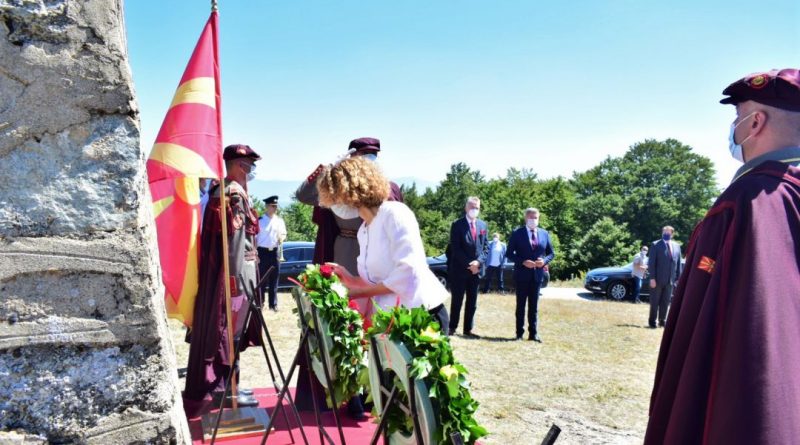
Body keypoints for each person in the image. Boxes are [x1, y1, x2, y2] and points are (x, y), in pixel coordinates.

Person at [645, 69, 800, 444]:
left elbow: (705, 341)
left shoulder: (747, 202)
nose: (733, 127)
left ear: (755, 123)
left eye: (737, 116)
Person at [294, 137, 402, 418]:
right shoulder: (339, 186)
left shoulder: (388, 187)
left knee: (374, 326)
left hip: (375, 261)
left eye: (373, 156)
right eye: (363, 156)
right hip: (344, 253)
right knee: (346, 325)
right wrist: (326, 169)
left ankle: (372, 391)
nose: (369, 161)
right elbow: (304, 196)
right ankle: (350, 391)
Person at [320, 157, 449, 329]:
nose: (334, 205)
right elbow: (378, 281)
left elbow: (407, 273)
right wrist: (351, 279)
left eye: (335, 197)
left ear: (351, 193)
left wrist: (356, 293)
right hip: (391, 319)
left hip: (420, 316)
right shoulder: (364, 230)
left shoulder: (394, 213)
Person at [184, 144, 262, 415]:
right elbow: (235, 245)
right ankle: (227, 391)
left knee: (232, 335)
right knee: (231, 334)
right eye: (250, 165)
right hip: (236, 276)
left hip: (234, 273)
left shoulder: (223, 190)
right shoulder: (233, 194)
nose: (252, 170)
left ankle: (231, 387)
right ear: (240, 166)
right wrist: (236, 284)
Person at [506, 208, 555, 342]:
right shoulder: (517, 233)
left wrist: (544, 261)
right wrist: (522, 261)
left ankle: (533, 334)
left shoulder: (544, 234)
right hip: (521, 275)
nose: (533, 220)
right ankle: (519, 334)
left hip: (537, 275)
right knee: (520, 306)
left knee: (534, 307)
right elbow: (509, 253)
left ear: (539, 218)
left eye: (535, 218)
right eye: (530, 217)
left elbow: (551, 253)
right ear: (525, 218)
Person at [447, 197, 489, 337]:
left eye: (477, 207)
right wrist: (469, 264)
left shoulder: (483, 225)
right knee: (457, 300)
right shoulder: (457, 224)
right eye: (472, 207)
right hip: (460, 270)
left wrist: (478, 262)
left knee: (472, 301)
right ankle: (452, 327)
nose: (474, 210)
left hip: (476, 271)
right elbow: (456, 248)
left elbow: (486, 248)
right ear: (466, 208)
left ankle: (468, 329)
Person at [646, 226, 682, 328]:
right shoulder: (655, 244)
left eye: (668, 232)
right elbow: (651, 263)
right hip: (657, 280)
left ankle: (662, 320)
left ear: (672, 234)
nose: (666, 233)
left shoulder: (677, 246)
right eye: (664, 232)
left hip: (670, 280)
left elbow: (678, 263)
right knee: (654, 302)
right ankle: (652, 321)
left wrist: (678, 278)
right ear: (662, 233)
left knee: (665, 302)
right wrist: (652, 278)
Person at [257, 195, 287, 311]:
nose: (275, 208)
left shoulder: (279, 221)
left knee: (274, 279)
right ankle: (260, 303)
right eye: (273, 206)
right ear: (267, 206)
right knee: (262, 280)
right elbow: (254, 238)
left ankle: (273, 305)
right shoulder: (259, 221)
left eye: (276, 206)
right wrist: (256, 254)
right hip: (262, 252)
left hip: (274, 252)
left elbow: (283, 234)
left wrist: (282, 238)